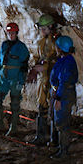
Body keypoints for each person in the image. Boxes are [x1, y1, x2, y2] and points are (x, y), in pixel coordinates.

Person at [0, 22, 30, 136]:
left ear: (16, 33)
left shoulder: (21, 47)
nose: (11, 35)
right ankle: (0, 125)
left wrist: (21, 81)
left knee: (14, 102)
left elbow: (24, 65)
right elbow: (1, 61)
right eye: (9, 33)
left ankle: (13, 128)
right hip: (4, 77)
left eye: (13, 33)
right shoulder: (4, 45)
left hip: (15, 77)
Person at [26, 14, 58, 145]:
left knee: (54, 109)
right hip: (43, 79)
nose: (42, 31)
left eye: (44, 28)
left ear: (51, 27)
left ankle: (55, 139)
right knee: (42, 106)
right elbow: (39, 58)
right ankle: (41, 137)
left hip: (54, 79)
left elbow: (57, 61)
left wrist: (43, 67)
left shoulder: (57, 42)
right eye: (41, 28)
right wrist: (34, 69)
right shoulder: (41, 42)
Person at [48, 35, 78, 159]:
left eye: (57, 46)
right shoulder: (64, 60)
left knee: (62, 122)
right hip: (61, 93)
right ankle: (60, 147)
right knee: (58, 119)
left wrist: (58, 99)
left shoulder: (68, 62)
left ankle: (64, 151)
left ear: (60, 48)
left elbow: (64, 82)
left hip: (64, 94)